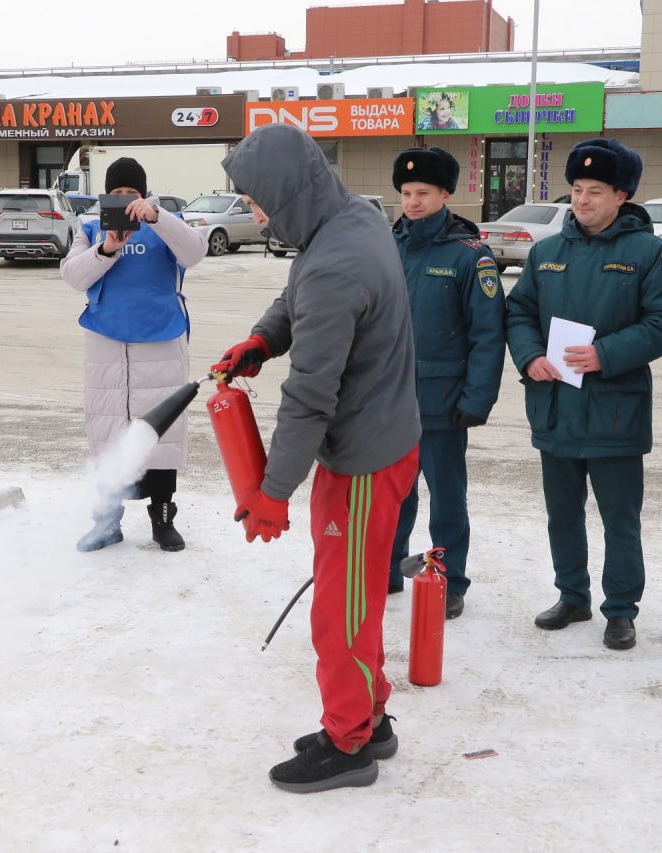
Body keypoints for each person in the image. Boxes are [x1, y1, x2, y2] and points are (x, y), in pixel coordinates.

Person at [210, 123, 421, 793]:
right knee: (351, 598)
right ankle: (370, 713)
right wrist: (261, 340)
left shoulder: (336, 260)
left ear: (289, 192)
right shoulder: (351, 216)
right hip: (382, 439)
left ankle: (350, 740)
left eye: (257, 200)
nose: (253, 212)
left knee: (338, 610)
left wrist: (273, 490)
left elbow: (309, 398)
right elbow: (299, 294)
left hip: (361, 458)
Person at [504, 137, 662, 651]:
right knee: (562, 513)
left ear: (622, 196)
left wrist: (606, 354)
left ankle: (621, 610)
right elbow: (518, 312)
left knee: (619, 520)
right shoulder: (546, 253)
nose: (582, 200)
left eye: (595, 191)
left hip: (614, 412)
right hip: (556, 407)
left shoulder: (650, 254)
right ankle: (572, 595)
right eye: (577, 190)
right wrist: (529, 356)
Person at [60, 157, 208, 552]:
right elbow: (74, 276)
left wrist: (157, 217)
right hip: (107, 345)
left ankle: (163, 520)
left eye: (132, 193)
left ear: (144, 193)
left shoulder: (165, 224)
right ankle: (107, 522)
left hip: (160, 342)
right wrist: (107, 248)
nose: (125, 199)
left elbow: (195, 252)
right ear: (105, 196)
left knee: (161, 435)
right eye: (117, 193)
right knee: (108, 434)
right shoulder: (91, 227)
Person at [385, 147, 506, 620]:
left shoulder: (469, 255)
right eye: (407, 193)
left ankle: (449, 579)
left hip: (443, 401)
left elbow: (488, 333)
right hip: (391, 399)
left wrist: (477, 398)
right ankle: (390, 567)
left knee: (447, 497)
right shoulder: (388, 245)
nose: (413, 202)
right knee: (395, 491)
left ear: (445, 195)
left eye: (423, 193)